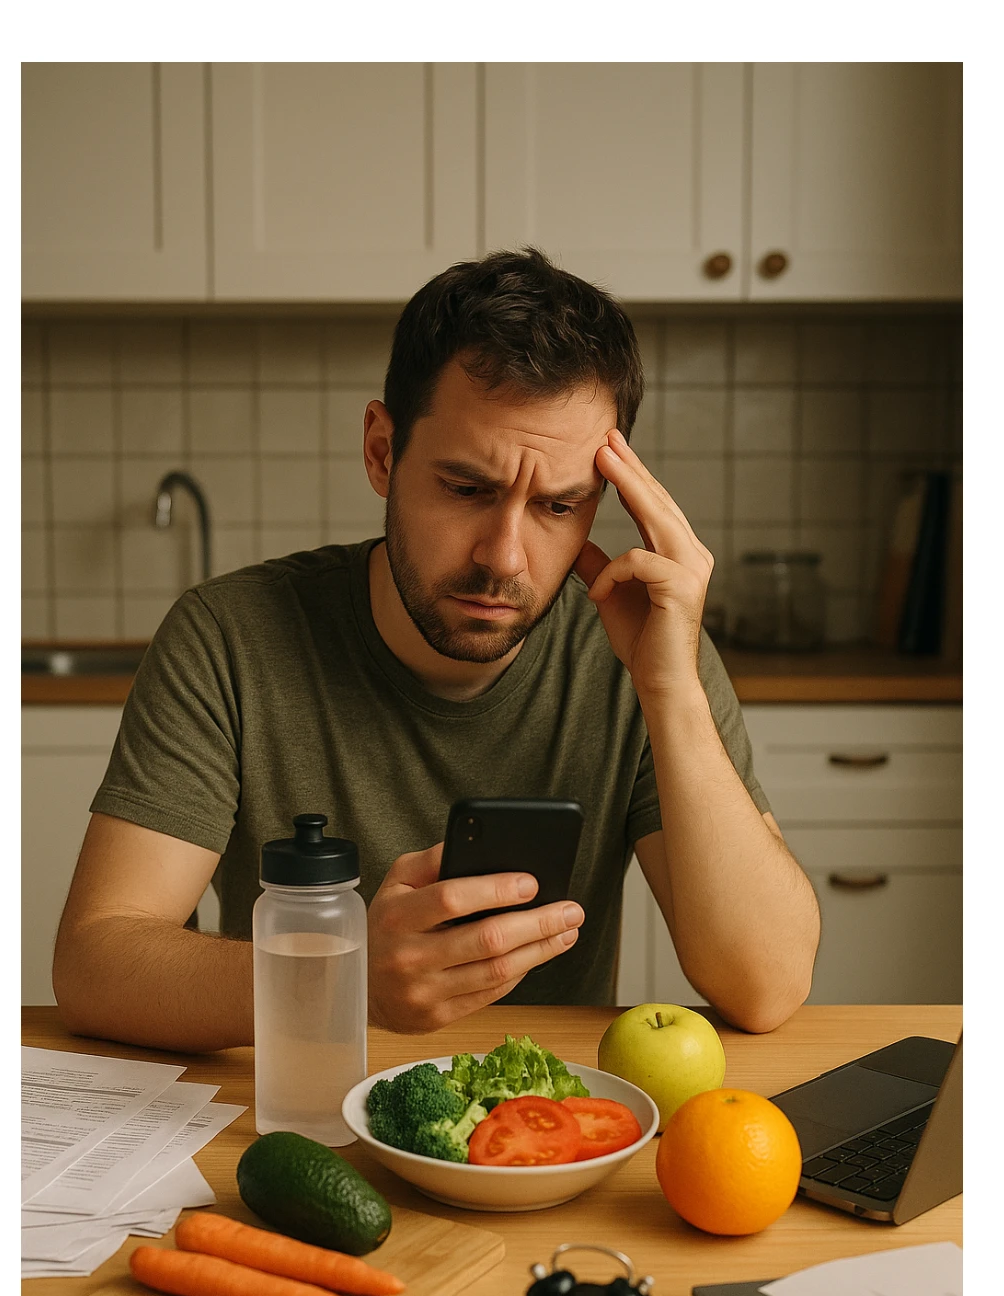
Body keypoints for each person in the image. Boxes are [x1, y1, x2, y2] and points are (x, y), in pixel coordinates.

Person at [53, 248, 820, 1052]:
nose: (506, 558)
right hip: (303, 1108)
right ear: (383, 452)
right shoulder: (228, 636)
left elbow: (764, 984)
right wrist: (342, 976)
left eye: (559, 505)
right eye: (467, 489)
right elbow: (96, 961)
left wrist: (671, 690)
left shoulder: (646, 649)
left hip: (544, 1139)